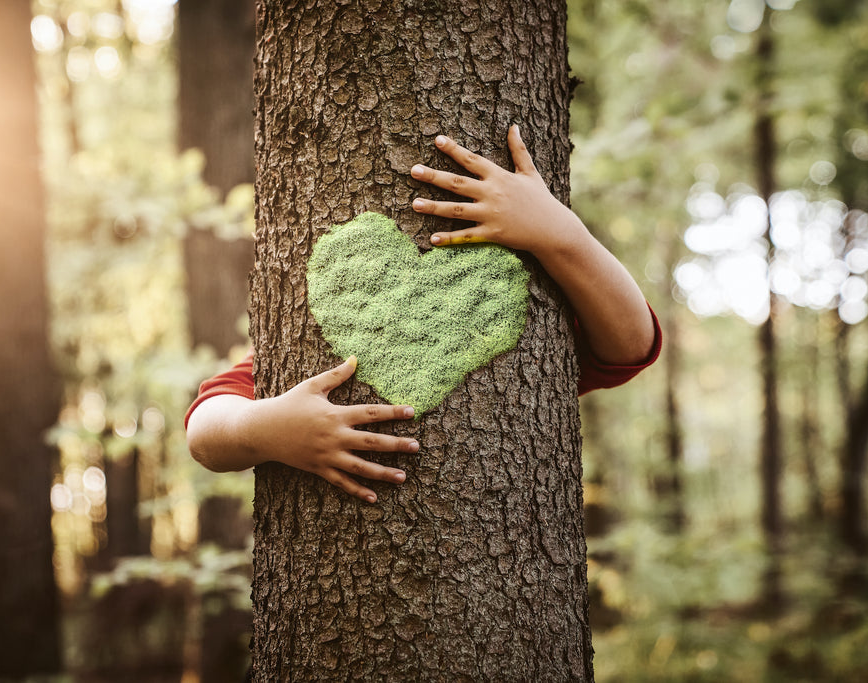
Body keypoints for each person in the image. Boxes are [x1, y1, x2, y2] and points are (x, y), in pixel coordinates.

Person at [185, 125, 661, 504]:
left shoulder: (540, 319)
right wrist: (266, 429)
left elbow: (632, 344)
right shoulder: (307, 344)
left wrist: (560, 233)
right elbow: (206, 431)